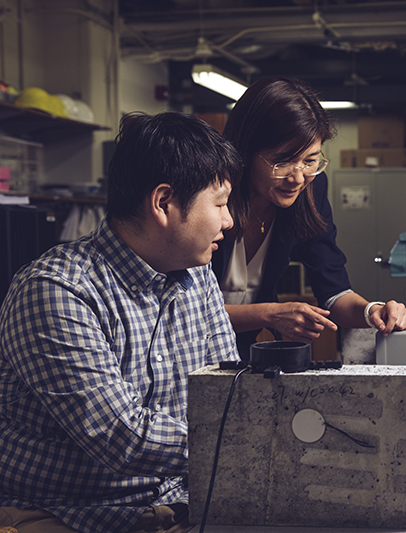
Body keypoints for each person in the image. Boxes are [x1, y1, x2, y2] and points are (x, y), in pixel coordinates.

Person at [0, 112, 242, 533]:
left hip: (178, 500)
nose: (228, 221)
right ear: (164, 203)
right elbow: (119, 435)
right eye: (219, 204)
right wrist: (248, 436)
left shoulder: (196, 272)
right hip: (70, 513)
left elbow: (225, 391)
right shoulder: (55, 291)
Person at [214, 76, 406, 358]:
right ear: (244, 152)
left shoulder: (312, 190)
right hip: (183, 351)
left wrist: (372, 311)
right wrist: (268, 314)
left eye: (310, 160)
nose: (298, 178)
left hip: (243, 352)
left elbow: (334, 291)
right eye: (282, 161)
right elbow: (183, 310)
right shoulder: (207, 192)